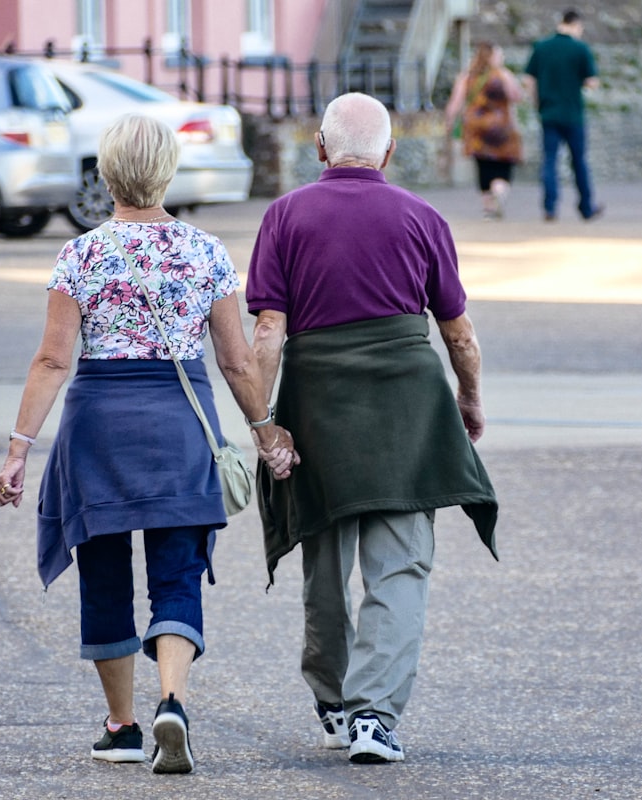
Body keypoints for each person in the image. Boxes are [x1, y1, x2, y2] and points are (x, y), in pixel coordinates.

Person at [0, 113, 297, 775]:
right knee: (177, 578)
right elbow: (238, 363)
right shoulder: (207, 252)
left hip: (96, 431)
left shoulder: (82, 254)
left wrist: (18, 449)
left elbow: (51, 361)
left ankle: (123, 726)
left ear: (105, 175)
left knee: (104, 578)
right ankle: (174, 704)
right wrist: (265, 433)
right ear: (167, 172)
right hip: (179, 429)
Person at [246, 92, 499, 765]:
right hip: (406, 408)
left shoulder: (285, 215)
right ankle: (374, 719)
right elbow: (458, 333)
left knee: (323, 561)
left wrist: (263, 421)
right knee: (400, 566)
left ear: (321, 150)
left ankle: (333, 701)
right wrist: (468, 400)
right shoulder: (422, 216)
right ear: (389, 153)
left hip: (317, 403)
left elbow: (268, 330)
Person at [523, 8, 603, 221]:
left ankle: (550, 207)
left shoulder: (542, 47)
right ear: (576, 25)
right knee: (579, 161)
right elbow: (592, 82)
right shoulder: (580, 49)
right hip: (573, 114)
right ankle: (586, 207)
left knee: (549, 160)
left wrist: (537, 103)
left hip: (548, 113)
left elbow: (528, 80)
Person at [445, 41, 524, 220]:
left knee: (483, 165)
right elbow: (516, 97)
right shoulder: (503, 75)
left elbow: (455, 103)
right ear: (493, 57)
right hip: (502, 126)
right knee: (504, 163)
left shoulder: (467, 76)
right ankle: (499, 188)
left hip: (476, 128)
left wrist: (449, 122)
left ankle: (488, 207)